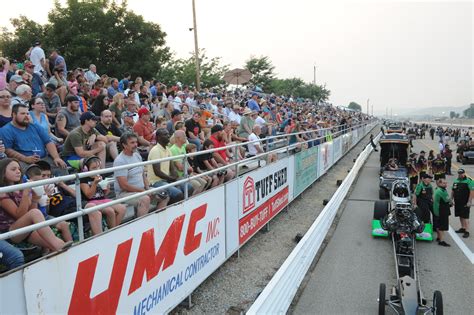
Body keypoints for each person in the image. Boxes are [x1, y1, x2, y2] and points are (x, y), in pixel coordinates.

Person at [0, 158, 71, 252]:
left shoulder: (21, 188)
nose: (18, 171)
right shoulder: (2, 192)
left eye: (19, 169)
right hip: (11, 232)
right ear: (3, 173)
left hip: (26, 229)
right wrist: (26, 194)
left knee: (58, 244)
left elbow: (30, 213)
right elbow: (20, 215)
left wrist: (35, 199)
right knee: (35, 213)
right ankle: (57, 246)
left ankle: (60, 249)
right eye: (13, 169)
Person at [0, 104, 67, 173]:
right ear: (14, 115)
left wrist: (56, 157)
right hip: (22, 162)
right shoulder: (5, 130)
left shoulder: (35, 126)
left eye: (27, 113)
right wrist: (25, 159)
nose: (26, 116)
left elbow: (48, 142)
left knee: (61, 166)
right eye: (23, 113)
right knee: (35, 173)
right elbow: (8, 150)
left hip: (43, 158)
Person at [79, 156, 126, 230]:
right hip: (90, 202)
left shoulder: (101, 175)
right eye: (94, 168)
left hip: (102, 199)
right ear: (86, 169)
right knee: (110, 211)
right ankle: (112, 232)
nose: (97, 170)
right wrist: (94, 183)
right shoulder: (83, 178)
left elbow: (105, 193)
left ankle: (113, 230)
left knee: (122, 208)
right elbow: (89, 195)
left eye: (98, 167)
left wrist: (107, 189)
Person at [113, 133, 154, 216]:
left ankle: (157, 222)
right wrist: (143, 191)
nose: (135, 145)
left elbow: (143, 174)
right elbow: (123, 186)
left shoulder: (137, 155)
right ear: (124, 145)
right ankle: (142, 226)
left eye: (136, 142)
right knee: (145, 199)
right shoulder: (120, 161)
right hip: (124, 193)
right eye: (132, 143)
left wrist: (147, 188)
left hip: (140, 190)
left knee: (164, 194)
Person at [148, 128, 192, 205]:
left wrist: (175, 177)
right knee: (178, 194)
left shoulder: (168, 149)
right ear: (158, 137)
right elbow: (157, 172)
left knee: (189, 188)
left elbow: (172, 168)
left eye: (168, 134)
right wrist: (171, 178)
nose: (168, 136)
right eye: (165, 134)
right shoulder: (155, 150)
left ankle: (183, 207)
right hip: (156, 182)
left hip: (166, 179)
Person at [169, 130, 206, 195]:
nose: (186, 137)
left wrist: (191, 171)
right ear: (178, 138)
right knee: (198, 185)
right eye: (184, 136)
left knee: (204, 182)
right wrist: (189, 169)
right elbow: (179, 167)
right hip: (179, 176)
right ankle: (191, 201)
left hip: (186, 173)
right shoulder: (173, 149)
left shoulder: (183, 147)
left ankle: (196, 199)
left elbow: (185, 162)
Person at [451, 168, 473, 238]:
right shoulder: (456, 181)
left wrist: (469, 201)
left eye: (462, 173)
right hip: (458, 202)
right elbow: (453, 190)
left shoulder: (469, 181)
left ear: (464, 173)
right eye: (459, 173)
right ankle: (463, 228)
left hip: (465, 202)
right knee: (460, 215)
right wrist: (451, 199)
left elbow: (472, 192)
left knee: (465, 216)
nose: (460, 175)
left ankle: (467, 231)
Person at [433, 178, 452, 246]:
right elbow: (448, 200)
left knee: (438, 225)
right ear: (439, 183)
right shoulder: (442, 191)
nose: (446, 184)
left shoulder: (437, 189)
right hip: (442, 211)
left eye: (446, 183)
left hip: (437, 210)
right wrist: (451, 202)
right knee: (442, 226)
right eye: (444, 183)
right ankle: (441, 241)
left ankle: (438, 237)